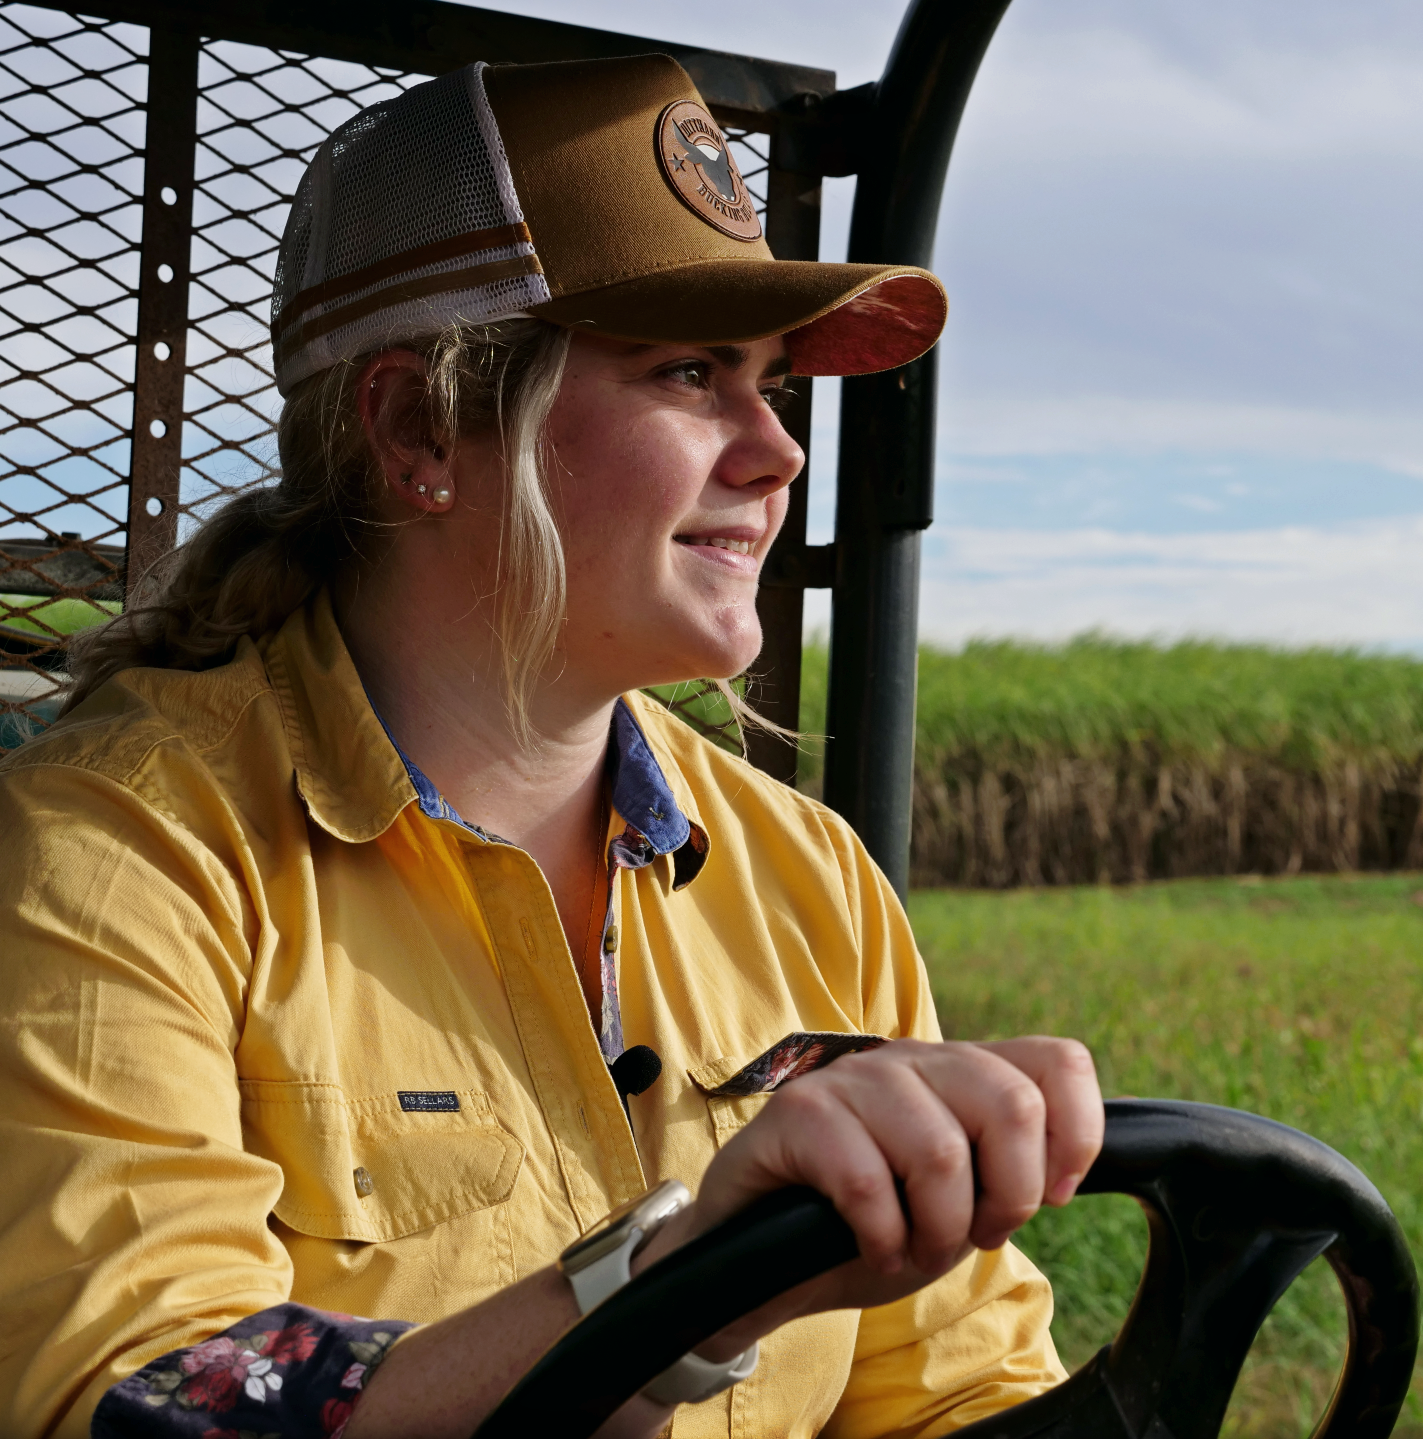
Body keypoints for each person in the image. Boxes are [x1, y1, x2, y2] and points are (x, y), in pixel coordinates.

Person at [0, 54, 1103, 1439]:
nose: (776, 451)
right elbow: (142, 1400)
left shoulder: (809, 875)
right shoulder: (118, 855)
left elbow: (955, 1390)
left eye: (768, 382)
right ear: (419, 427)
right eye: (691, 373)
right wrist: (676, 1292)